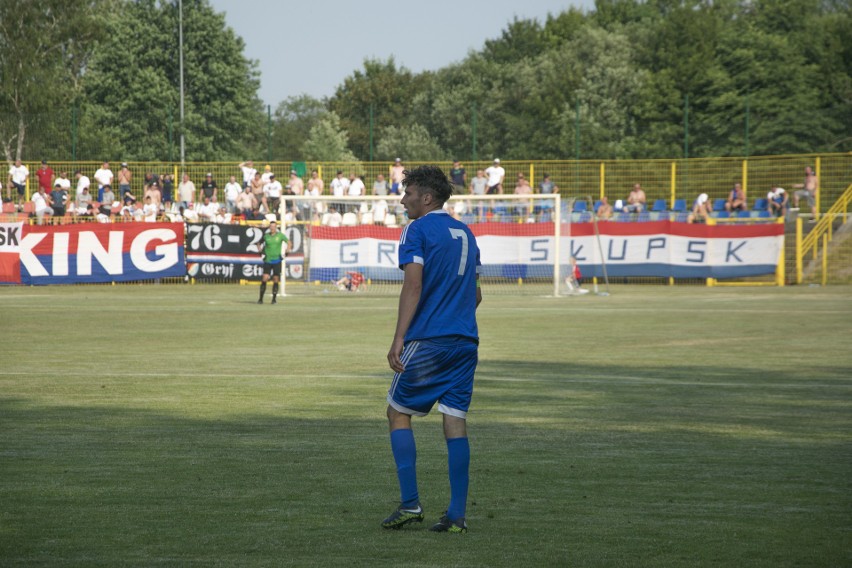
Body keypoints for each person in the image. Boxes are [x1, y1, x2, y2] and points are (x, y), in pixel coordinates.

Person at [382, 165, 481, 534]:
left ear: (427, 197)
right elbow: (476, 295)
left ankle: (410, 503)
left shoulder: (417, 229)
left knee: (396, 413)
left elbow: (413, 285)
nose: (403, 199)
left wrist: (399, 339)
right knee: (454, 420)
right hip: (466, 342)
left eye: (408, 194)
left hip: (430, 341)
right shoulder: (467, 233)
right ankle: (456, 514)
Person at [257, 220, 290, 304]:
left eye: (274, 226)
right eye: (271, 226)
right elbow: (258, 243)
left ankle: (274, 299)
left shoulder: (280, 236)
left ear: (276, 227)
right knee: (264, 278)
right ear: (269, 227)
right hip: (267, 260)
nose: (272, 228)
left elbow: (289, 242)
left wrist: (287, 250)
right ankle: (260, 299)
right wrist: (260, 251)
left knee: (276, 279)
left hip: (277, 260)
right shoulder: (266, 236)